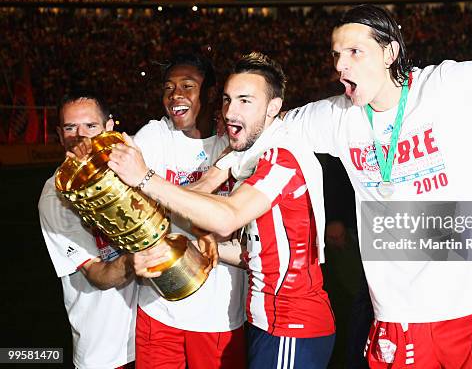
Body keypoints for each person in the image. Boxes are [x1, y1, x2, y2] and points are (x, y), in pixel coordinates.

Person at [279, 5, 472, 368]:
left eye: (354, 52)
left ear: (390, 52)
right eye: (336, 55)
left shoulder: (448, 87)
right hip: (400, 318)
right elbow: (268, 127)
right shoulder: (336, 116)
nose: (340, 66)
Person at [107, 52, 336, 369]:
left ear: (273, 108)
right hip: (265, 321)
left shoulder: (281, 157)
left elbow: (227, 217)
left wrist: (145, 178)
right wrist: (203, 242)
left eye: (245, 101)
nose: (231, 111)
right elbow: (246, 239)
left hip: (290, 322)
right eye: (229, 101)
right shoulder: (245, 152)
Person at [130, 52, 247, 369]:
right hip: (158, 308)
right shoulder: (156, 136)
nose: (175, 95)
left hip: (218, 315)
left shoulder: (235, 142)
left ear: (210, 93)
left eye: (187, 85)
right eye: (168, 87)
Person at [39, 91, 138, 369]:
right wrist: (142, 255)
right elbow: (99, 275)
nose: (80, 136)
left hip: (150, 337)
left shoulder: (129, 169)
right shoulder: (55, 196)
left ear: (109, 127)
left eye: (90, 127)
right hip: (105, 354)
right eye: (71, 128)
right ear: (60, 134)